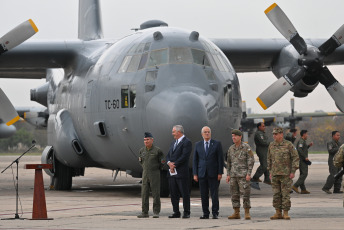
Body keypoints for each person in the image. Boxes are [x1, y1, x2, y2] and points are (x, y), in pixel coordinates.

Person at [268, 127, 299, 220]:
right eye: (273, 134)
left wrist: (293, 171)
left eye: (276, 134)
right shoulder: (271, 145)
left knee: (285, 194)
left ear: (281, 134)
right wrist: (270, 171)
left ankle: (285, 212)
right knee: (276, 194)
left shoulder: (288, 145)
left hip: (286, 174)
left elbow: (295, 158)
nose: (274, 136)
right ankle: (278, 212)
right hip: (274, 173)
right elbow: (269, 159)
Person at [193, 126, 224, 219]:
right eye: (205, 132)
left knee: (214, 194)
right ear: (202, 134)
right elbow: (195, 160)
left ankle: (215, 213)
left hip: (213, 173)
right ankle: (205, 213)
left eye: (208, 132)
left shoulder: (217, 144)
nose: (207, 133)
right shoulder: (198, 144)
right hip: (202, 173)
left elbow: (220, 159)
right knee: (203, 195)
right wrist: (195, 173)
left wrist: (220, 173)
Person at [226, 129, 255, 220]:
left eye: (235, 136)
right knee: (234, 194)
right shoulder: (231, 148)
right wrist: (228, 174)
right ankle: (236, 212)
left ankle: (247, 212)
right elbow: (229, 162)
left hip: (243, 175)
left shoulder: (246, 147)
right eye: (232, 136)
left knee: (245, 194)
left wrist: (249, 173)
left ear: (240, 137)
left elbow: (251, 160)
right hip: (233, 175)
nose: (233, 137)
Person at [166, 125, 192, 218]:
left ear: (179, 132)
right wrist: (169, 163)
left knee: (184, 193)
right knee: (173, 193)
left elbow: (184, 156)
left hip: (181, 172)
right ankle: (176, 212)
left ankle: (186, 212)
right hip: (172, 172)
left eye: (173, 132)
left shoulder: (187, 142)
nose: (172, 133)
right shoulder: (173, 143)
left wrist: (174, 164)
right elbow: (168, 155)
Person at [137, 132, 164, 218]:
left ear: (152, 140)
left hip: (154, 174)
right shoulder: (142, 150)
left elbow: (162, 162)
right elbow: (141, 161)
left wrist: (156, 168)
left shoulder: (157, 150)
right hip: (145, 174)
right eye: (145, 140)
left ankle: (156, 212)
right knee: (144, 193)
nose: (146, 141)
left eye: (148, 139)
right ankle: (144, 212)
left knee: (156, 193)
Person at [292, 130, 313, 194]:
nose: (307, 135)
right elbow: (299, 149)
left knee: (302, 174)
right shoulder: (301, 141)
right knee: (304, 174)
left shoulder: (303, 141)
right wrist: (305, 157)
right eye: (306, 134)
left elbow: (303, 148)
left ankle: (303, 189)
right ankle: (295, 186)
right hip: (302, 160)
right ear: (304, 134)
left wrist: (308, 146)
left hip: (302, 159)